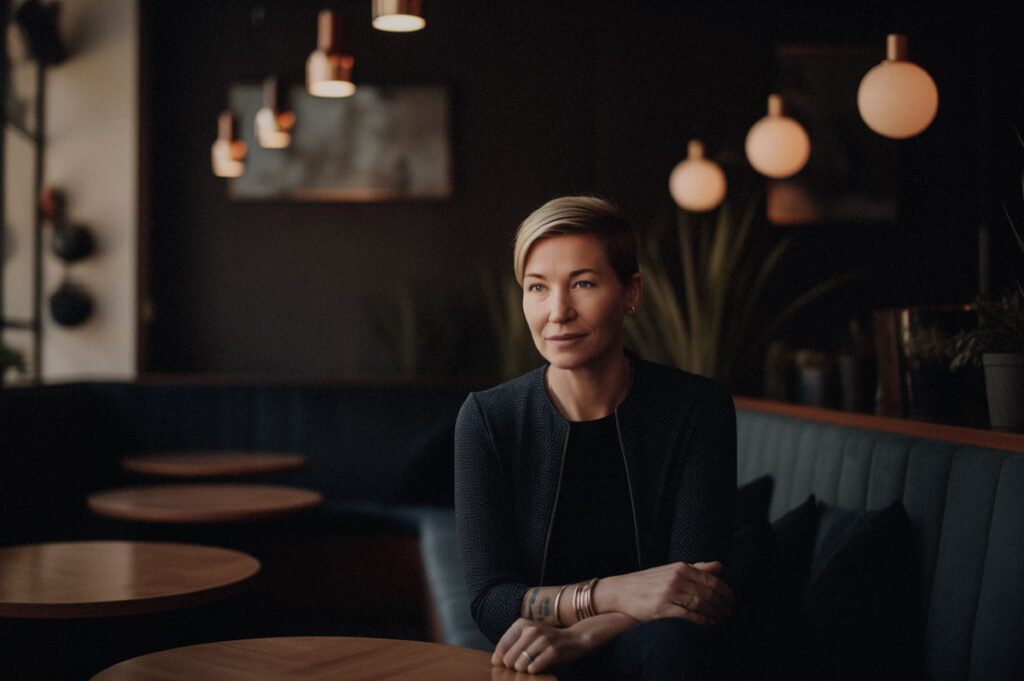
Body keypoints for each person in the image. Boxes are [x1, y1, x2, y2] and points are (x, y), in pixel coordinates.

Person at [454, 195, 737, 680]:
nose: (557, 311)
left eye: (582, 283)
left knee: (677, 647)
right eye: (538, 287)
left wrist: (580, 634)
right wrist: (613, 593)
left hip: (657, 653)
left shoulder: (696, 408)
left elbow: (691, 591)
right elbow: (490, 600)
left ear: (632, 292)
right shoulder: (489, 418)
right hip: (538, 657)